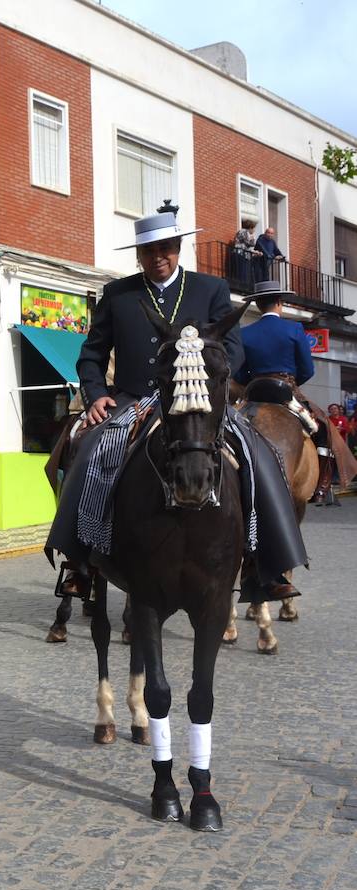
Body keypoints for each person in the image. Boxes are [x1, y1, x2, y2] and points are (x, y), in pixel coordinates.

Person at [47, 200, 306, 604]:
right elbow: (92, 354)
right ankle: (78, 561)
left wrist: (206, 370)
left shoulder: (211, 289)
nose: (158, 257)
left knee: (260, 452)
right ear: (138, 254)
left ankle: (265, 563)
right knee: (90, 448)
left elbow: (234, 349)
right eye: (149, 251)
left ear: (178, 248)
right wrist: (97, 395)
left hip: (199, 400)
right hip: (134, 400)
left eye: (165, 248)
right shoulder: (118, 294)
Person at [233, 280, 314, 390]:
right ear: (278, 302)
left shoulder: (244, 333)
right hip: (286, 386)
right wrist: (291, 383)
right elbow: (307, 370)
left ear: (257, 305)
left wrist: (254, 382)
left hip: (256, 389)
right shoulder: (295, 328)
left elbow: (238, 373)